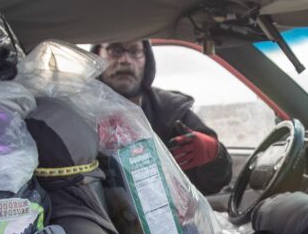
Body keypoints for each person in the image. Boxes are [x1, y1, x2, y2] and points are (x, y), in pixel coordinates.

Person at [91, 40, 234, 194]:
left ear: (147, 59)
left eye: (135, 51)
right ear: (96, 54)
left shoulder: (171, 111)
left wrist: (215, 156)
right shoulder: (76, 112)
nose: (125, 60)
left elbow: (213, 185)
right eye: (115, 50)